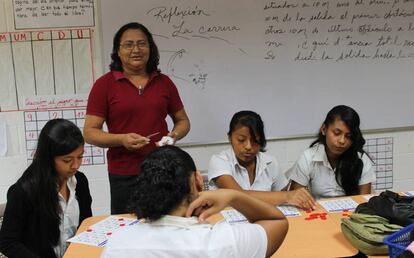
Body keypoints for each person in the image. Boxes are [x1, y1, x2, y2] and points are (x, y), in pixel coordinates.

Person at [101, 145, 288, 258]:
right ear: (197, 180)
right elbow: (277, 221)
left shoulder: (118, 242)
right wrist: (233, 195)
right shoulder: (222, 242)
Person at [83, 22, 190, 214]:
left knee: (166, 225)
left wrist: (173, 136)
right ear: (117, 50)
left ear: (150, 47)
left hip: (164, 170)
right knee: (127, 228)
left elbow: (183, 121)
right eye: (128, 44)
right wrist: (121, 139)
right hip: (124, 174)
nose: (136, 50)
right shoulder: (104, 85)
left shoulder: (164, 82)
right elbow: (90, 133)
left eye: (142, 43)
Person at [0, 119, 92, 258]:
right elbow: (8, 242)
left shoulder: (80, 181)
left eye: (80, 157)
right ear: (48, 158)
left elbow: (86, 224)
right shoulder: (23, 191)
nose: (75, 165)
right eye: (67, 160)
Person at [208, 110, 316, 210]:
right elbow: (237, 195)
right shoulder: (219, 161)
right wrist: (287, 196)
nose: (248, 146)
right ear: (229, 138)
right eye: (241, 140)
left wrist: (292, 197)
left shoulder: (270, 162)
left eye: (255, 141)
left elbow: (282, 200)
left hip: (265, 223)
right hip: (226, 224)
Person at [288, 105, 376, 199]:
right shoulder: (308, 157)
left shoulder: (361, 159)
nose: (342, 141)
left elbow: (363, 202)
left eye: (349, 136)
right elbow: (296, 199)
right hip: (318, 212)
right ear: (324, 129)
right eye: (337, 133)